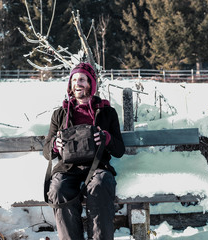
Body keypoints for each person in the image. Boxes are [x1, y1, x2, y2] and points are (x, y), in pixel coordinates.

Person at [43, 62, 125, 240]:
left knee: (101, 184)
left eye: (82, 79)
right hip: (67, 168)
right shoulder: (60, 114)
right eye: (74, 80)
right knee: (57, 189)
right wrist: (55, 145)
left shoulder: (107, 113)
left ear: (91, 84)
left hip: (98, 167)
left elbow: (119, 150)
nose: (77, 83)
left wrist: (107, 138)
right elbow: (46, 150)